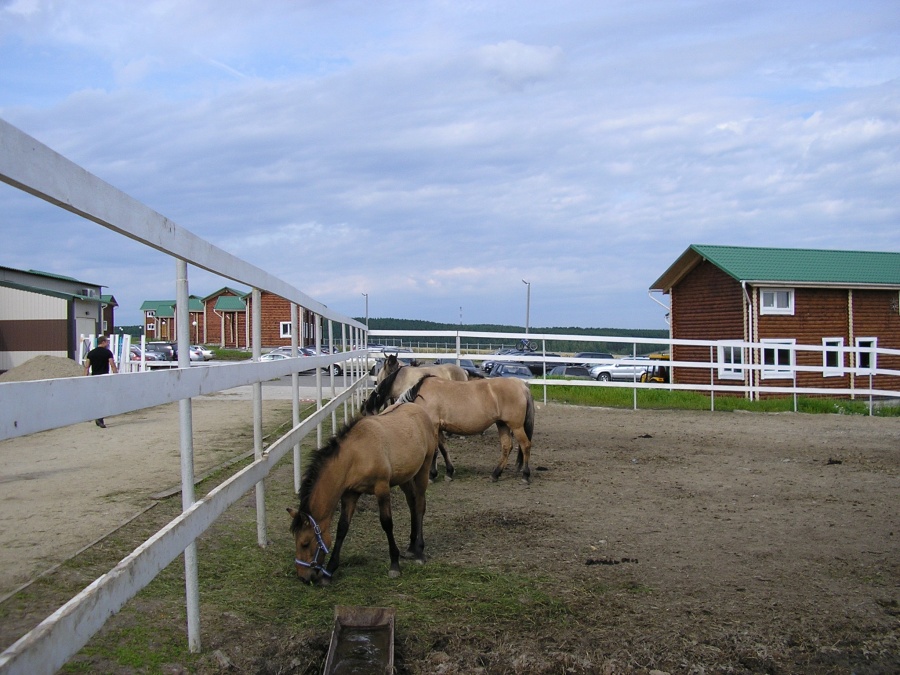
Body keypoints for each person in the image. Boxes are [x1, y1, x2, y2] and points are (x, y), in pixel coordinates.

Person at [83, 335, 118, 428]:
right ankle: (100, 418)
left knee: (96, 397)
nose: (108, 343)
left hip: (94, 377)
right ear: (103, 342)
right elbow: (112, 365)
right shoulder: (107, 353)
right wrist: (117, 376)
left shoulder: (91, 353)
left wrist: (84, 379)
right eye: (107, 342)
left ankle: (97, 416)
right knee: (103, 398)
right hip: (104, 377)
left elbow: (87, 367)